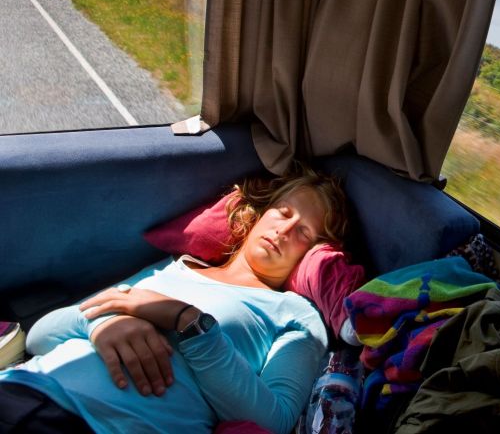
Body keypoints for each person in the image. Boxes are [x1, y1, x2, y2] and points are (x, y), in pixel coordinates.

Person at [0, 168, 348, 434]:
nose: (284, 231)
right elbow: (40, 335)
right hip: (26, 388)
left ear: (315, 252)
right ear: (261, 213)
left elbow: (275, 420)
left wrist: (190, 323)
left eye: (304, 232)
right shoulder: (173, 267)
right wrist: (104, 323)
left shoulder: (296, 315)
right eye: (283, 213)